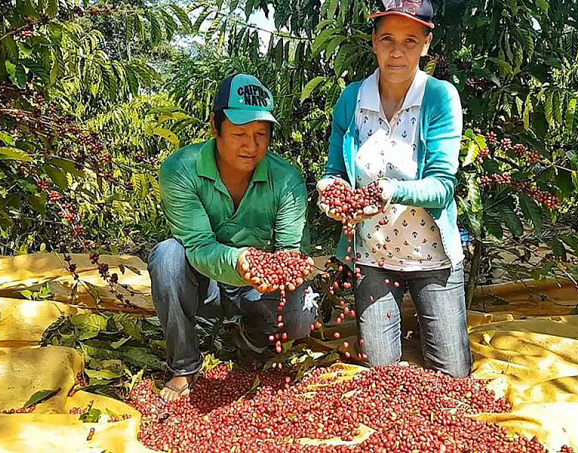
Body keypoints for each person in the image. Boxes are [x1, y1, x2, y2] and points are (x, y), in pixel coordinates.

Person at [316, 0, 472, 378]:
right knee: (381, 376)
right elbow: (335, 171)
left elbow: (442, 186)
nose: (397, 51)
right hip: (373, 257)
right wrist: (330, 192)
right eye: (387, 38)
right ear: (373, 41)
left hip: (431, 258)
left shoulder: (439, 98)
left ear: (426, 44)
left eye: (410, 40)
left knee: (453, 375)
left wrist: (389, 191)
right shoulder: (352, 100)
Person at [150, 74, 317, 401]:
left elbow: (288, 251)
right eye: (239, 133)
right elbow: (197, 246)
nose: (251, 146)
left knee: (303, 313)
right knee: (167, 255)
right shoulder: (180, 169)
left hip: (258, 289)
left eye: (260, 135)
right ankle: (184, 363)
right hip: (207, 284)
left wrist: (291, 266)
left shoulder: (286, 180)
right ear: (215, 126)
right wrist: (240, 261)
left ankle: (252, 333)